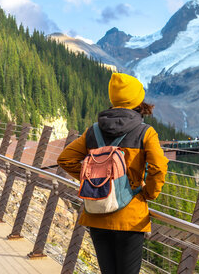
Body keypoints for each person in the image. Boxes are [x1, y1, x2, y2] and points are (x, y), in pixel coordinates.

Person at [57, 73, 168, 274]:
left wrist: (94, 180)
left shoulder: (93, 131)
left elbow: (65, 159)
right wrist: (148, 193)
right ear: (137, 100)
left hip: (97, 213)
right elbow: (159, 167)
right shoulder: (145, 132)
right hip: (130, 216)